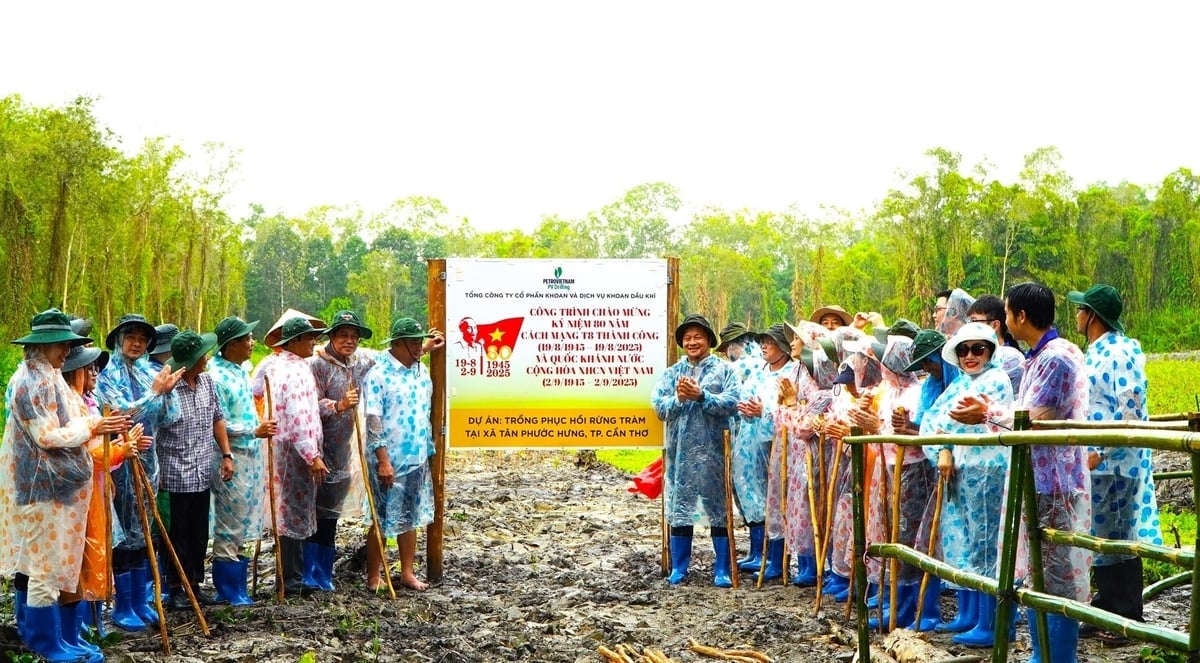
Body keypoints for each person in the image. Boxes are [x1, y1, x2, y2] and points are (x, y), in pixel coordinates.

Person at [956, 282, 1091, 663]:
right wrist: (989, 408)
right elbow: (1025, 411)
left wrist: (985, 413)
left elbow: (1034, 418)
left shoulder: (1055, 359)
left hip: (1054, 482)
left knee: (1056, 575)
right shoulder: (1038, 356)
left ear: (1020, 316)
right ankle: (1041, 652)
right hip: (1040, 478)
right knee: (1037, 571)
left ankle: (1058, 655)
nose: (1005, 321)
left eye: (1008, 312)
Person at [1, 309, 130, 662]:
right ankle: (46, 641)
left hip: (58, 485)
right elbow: (46, 436)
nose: (67, 353)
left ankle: (55, 636)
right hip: (40, 486)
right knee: (43, 567)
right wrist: (94, 428)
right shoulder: (32, 382)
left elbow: (71, 418)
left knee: (53, 564)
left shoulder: (51, 376)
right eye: (64, 346)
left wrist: (96, 421)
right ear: (46, 345)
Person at [1070, 284, 1160, 644]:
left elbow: (1130, 406)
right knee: (1102, 535)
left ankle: (1128, 614)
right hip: (1097, 462)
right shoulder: (1094, 352)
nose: (1076, 316)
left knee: (1121, 535)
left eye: (1080, 310)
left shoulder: (1120, 351)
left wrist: (1101, 449)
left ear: (1092, 315)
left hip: (1116, 463)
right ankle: (1106, 604)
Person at [921, 323, 1015, 646]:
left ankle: (992, 623)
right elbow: (932, 423)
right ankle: (972, 616)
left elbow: (956, 421)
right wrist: (942, 449)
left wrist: (947, 439)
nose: (971, 356)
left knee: (987, 544)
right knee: (966, 541)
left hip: (988, 469)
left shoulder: (996, 380)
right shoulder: (960, 384)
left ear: (990, 351)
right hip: (961, 470)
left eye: (978, 349)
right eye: (964, 350)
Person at [95, 313, 183, 630]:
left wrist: (168, 391)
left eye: (142, 338)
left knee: (146, 530)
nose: (136, 342)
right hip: (123, 460)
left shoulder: (150, 371)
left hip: (150, 460)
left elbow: (171, 417)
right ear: (118, 339)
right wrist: (155, 393)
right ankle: (123, 606)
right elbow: (120, 416)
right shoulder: (106, 374)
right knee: (127, 534)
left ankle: (142, 600)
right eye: (130, 336)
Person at [651, 314, 739, 587]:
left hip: (714, 452)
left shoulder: (724, 370)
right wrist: (679, 398)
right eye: (687, 338)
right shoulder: (672, 373)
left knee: (719, 509)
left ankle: (722, 569)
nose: (692, 342)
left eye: (698, 337)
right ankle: (680, 567)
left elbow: (733, 402)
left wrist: (702, 396)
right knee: (681, 507)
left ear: (709, 341)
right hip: (681, 454)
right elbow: (659, 407)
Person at [363, 317, 444, 592]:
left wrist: (429, 451)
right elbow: (373, 420)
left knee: (410, 516)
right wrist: (383, 460)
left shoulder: (419, 373)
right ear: (396, 344)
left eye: (419, 342)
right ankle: (374, 575)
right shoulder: (378, 375)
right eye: (412, 342)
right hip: (388, 460)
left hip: (417, 456)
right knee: (382, 517)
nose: (417, 347)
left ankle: (407, 572)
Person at [156, 330, 231, 609]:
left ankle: (195, 585)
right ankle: (176, 588)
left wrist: (226, 454)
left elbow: (217, 419)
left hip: (201, 470)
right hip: (175, 473)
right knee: (178, 534)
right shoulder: (169, 390)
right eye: (202, 355)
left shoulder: (208, 382)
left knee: (199, 532)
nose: (207, 358)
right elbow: (154, 427)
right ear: (190, 360)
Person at [307, 310, 376, 592]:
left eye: (354, 336)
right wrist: (337, 406)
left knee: (330, 515)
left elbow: (388, 357)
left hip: (343, 453)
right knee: (311, 512)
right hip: (316, 450)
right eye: (344, 335)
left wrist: (422, 348)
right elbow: (308, 405)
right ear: (332, 337)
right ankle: (306, 573)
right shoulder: (316, 365)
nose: (350, 341)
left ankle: (324, 573)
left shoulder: (358, 364)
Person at [208, 316, 276, 606]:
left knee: (243, 518)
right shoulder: (216, 376)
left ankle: (238, 585)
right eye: (247, 339)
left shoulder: (239, 370)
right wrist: (253, 430)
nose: (252, 343)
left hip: (249, 457)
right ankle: (227, 589)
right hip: (229, 457)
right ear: (231, 344)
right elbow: (217, 421)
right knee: (229, 520)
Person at [264, 316, 329, 596]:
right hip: (294, 451)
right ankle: (291, 579)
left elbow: (257, 388)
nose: (314, 342)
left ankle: (293, 575)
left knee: (290, 511)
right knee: (292, 513)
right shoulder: (292, 371)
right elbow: (298, 415)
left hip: (287, 448)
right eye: (309, 338)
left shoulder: (278, 364)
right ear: (295, 342)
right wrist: (312, 455)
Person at [731, 324, 792, 576]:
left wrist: (764, 414)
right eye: (763, 341)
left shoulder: (791, 374)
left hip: (777, 444)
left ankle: (776, 559)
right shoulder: (759, 372)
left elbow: (791, 409)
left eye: (771, 341)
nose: (765, 346)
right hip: (749, 442)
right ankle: (758, 553)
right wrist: (746, 411)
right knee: (752, 492)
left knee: (776, 497)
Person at [967, 294, 1024, 393]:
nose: (970, 327)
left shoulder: (1010, 358)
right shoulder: (977, 354)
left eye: (974, 321)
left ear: (994, 325)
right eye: (969, 322)